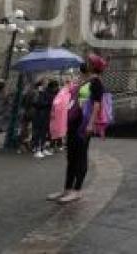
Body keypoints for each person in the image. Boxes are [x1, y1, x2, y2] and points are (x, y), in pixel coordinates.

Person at [47, 53, 107, 204]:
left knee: (80, 156)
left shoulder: (97, 82)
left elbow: (97, 105)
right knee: (71, 156)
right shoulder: (83, 81)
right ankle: (66, 189)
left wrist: (90, 124)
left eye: (89, 62)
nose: (86, 63)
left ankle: (77, 190)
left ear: (94, 66)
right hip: (74, 121)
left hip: (84, 123)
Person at [31, 78, 52, 158]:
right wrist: (47, 102)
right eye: (45, 82)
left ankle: (42, 148)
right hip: (39, 114)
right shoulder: (37, 92)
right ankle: (37, 149)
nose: (47, 84)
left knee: (44, 132)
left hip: (45, 114)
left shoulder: (45, 92)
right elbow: (37, 103)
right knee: (38, 132)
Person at [49, 77, 69, 153]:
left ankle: (57, 145)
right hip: (56, 115)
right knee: (55, 130)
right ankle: (53, 145)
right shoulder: (60, 93)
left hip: (59, 115)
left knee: (58, 129)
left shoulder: (60, 93)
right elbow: (55, 103)